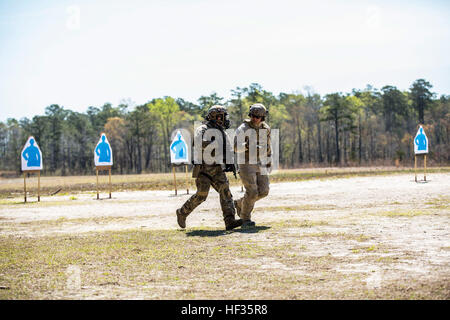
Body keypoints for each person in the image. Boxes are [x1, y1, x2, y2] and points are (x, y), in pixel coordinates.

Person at [176, 105, 243, 231]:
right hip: (203, 169)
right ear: (216, 117)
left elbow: (228, 148)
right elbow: (199, 142)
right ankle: (182, 212)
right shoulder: (203, 128)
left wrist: (230, 162)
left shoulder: (222, 132)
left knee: (226, 192)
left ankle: (230, 221)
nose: (224, 119)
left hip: (217, 168)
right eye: (222, 116)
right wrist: (215, 145)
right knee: (201, 195)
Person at [234, 103, 272, 228]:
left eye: (258, 116)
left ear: (263, 118)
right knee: (252, 192)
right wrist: (246, 145)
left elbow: (268, 146)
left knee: (264, 191)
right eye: (253, 115)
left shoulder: (265, 128)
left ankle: (240, 203)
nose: (255, 118)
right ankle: (245, 219)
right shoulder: (243, 128)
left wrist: (269, 159)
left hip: (261, 161)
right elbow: (235, 147)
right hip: (246, 163)